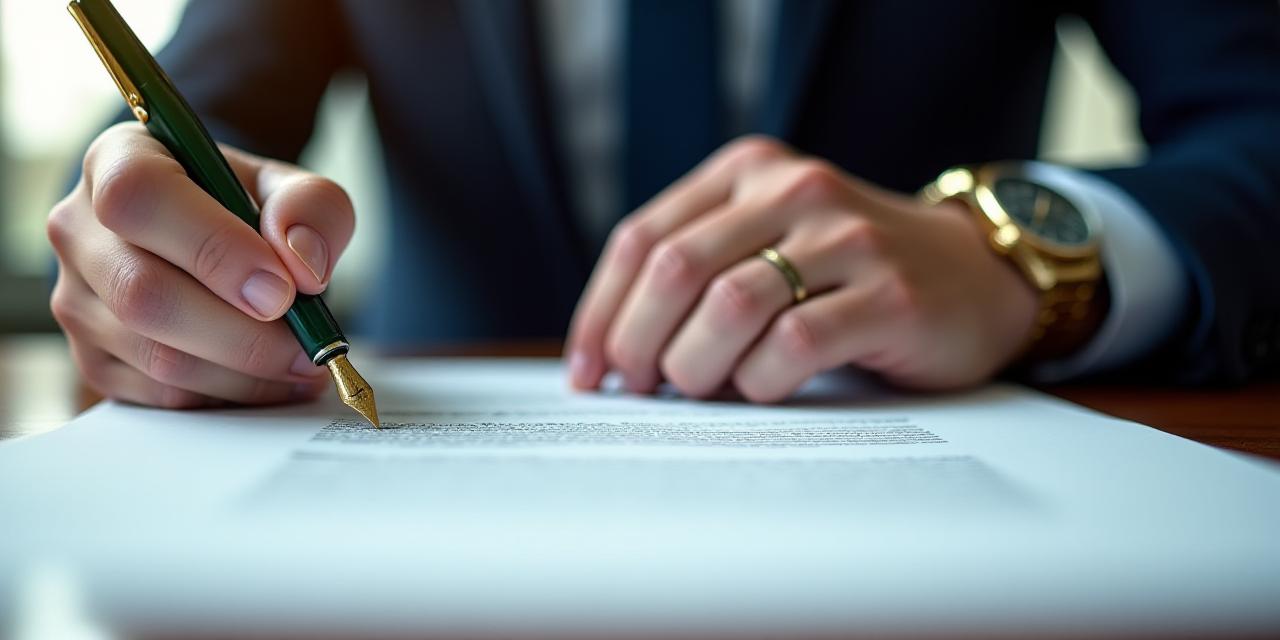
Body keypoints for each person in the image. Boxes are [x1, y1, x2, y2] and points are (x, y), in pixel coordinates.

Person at [47, 0, 1280, 409]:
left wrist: (1013, 252)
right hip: (423, 533)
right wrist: (143, 237)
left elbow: (1256, 118)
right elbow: (185, 124)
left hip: (901, 516)